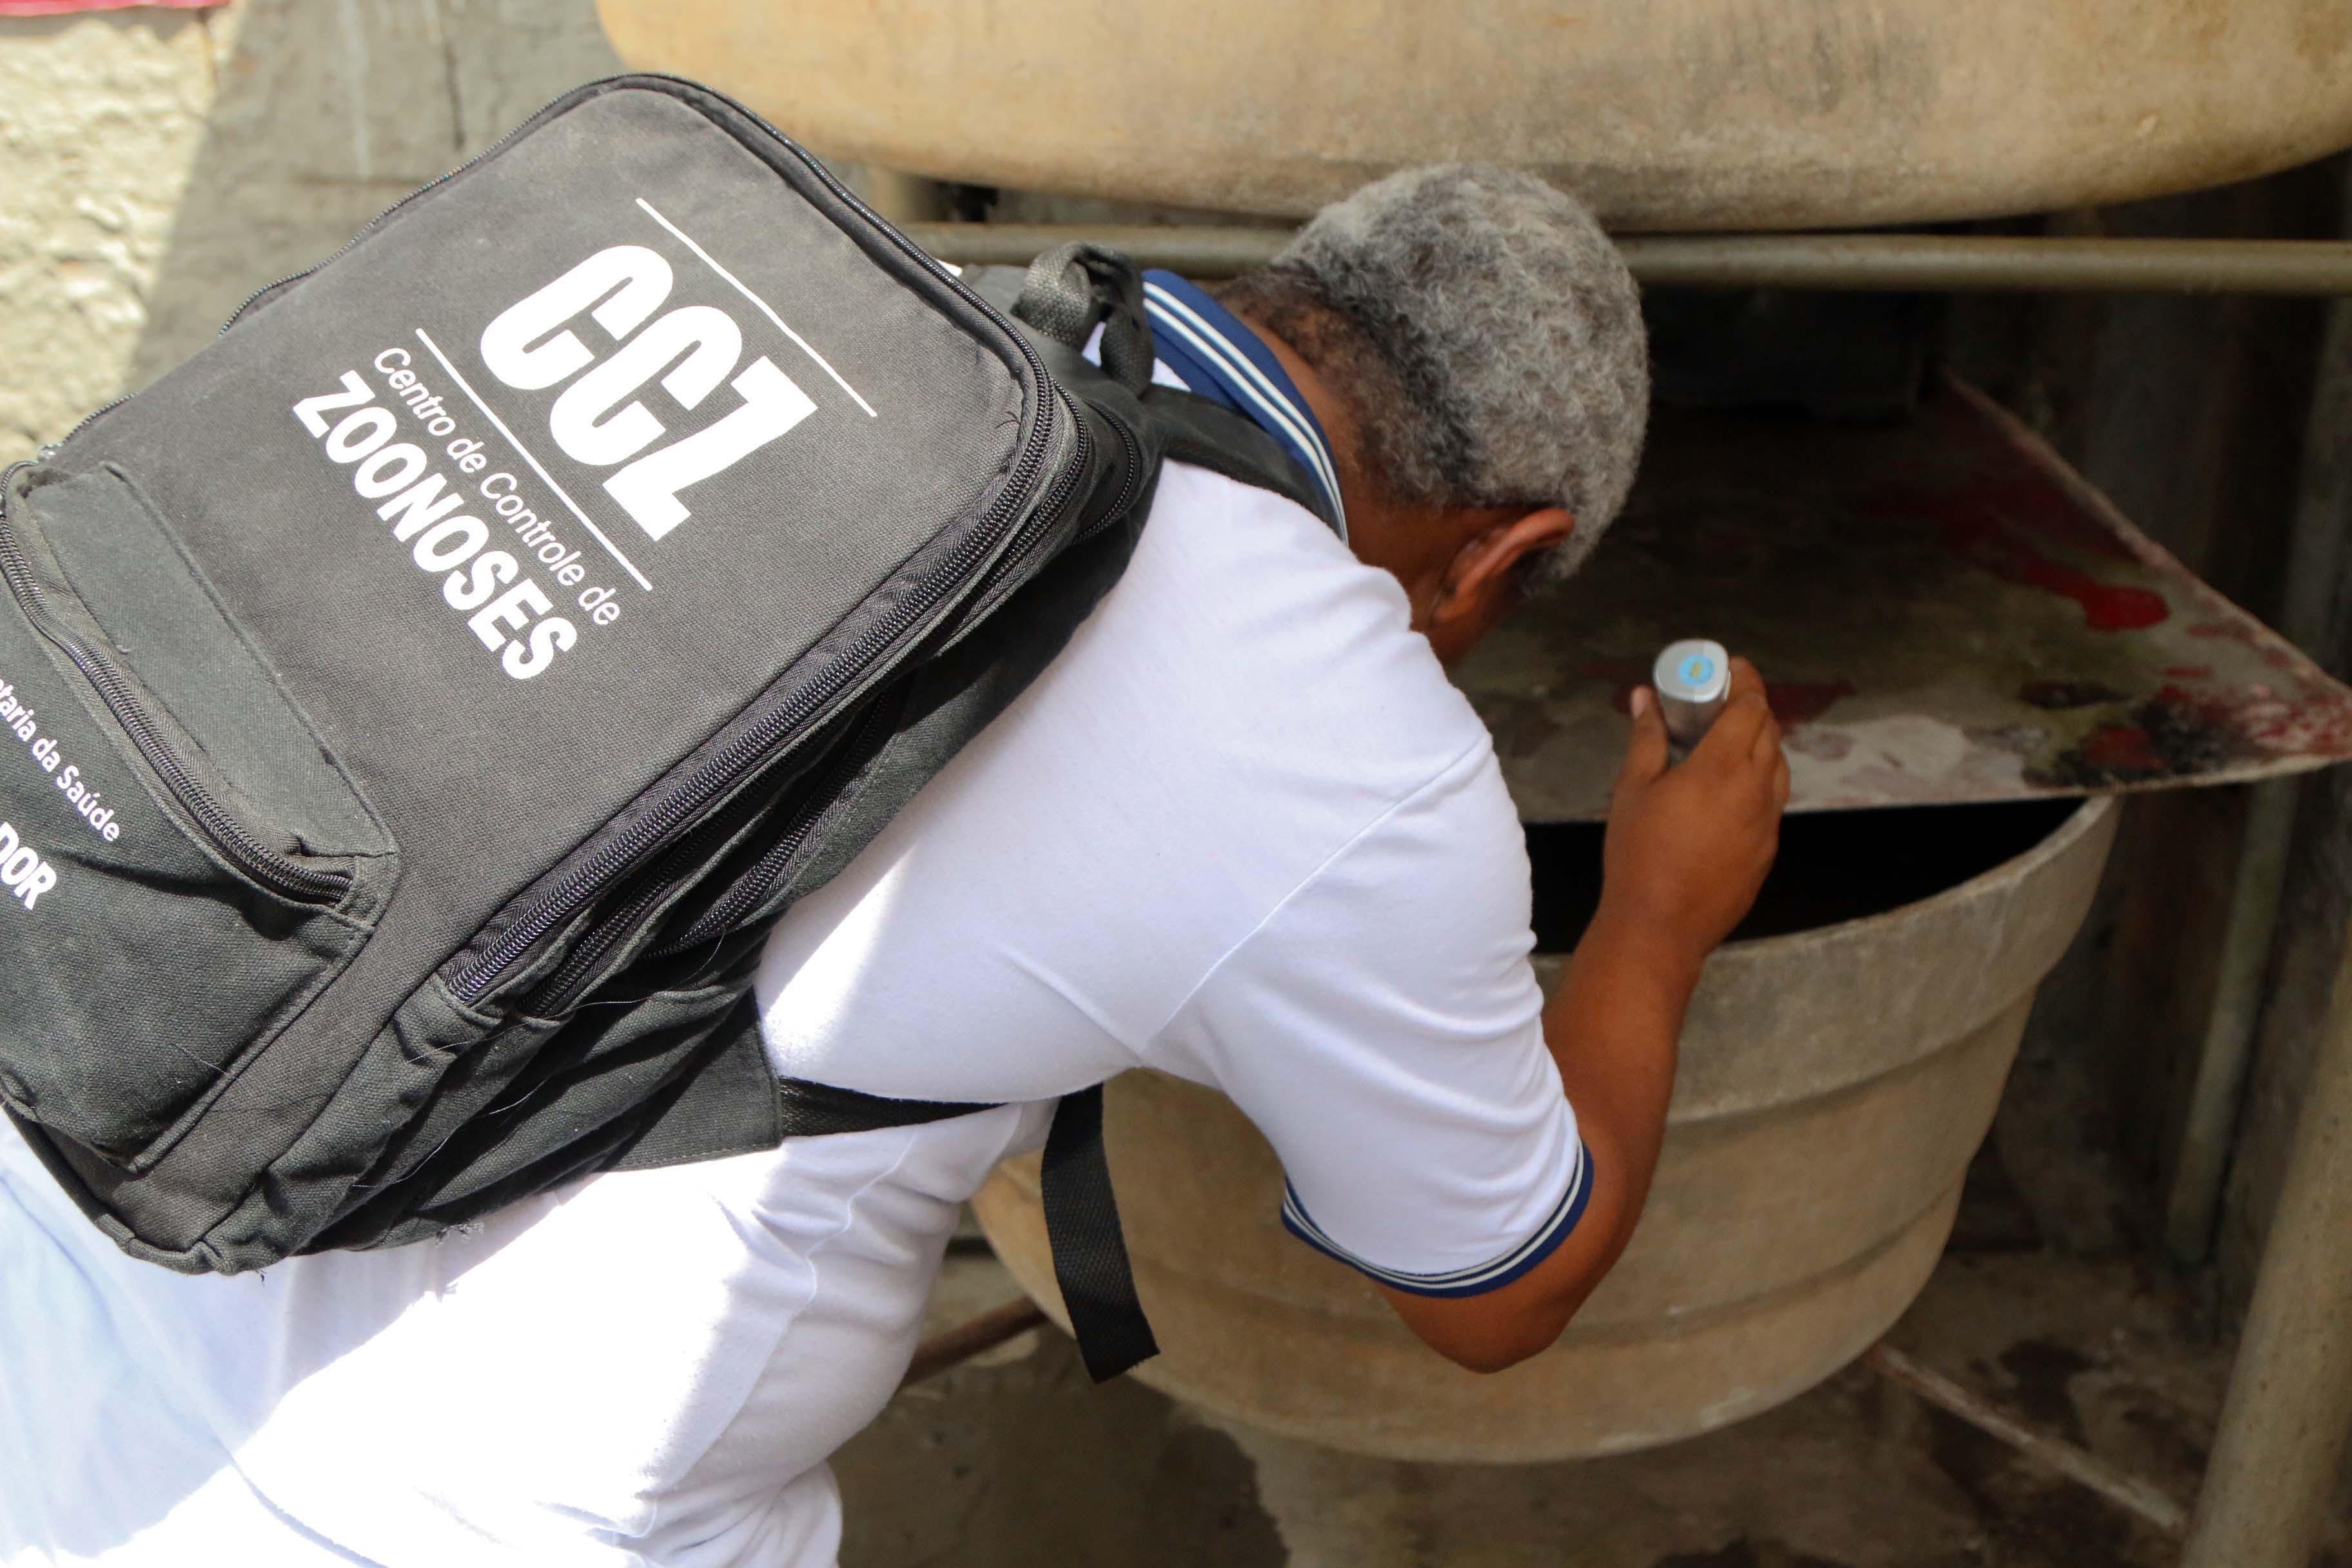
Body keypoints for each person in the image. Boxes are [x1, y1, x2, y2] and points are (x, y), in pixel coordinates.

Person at [0, 164, 1786, 1566]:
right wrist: (1656, 911)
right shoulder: (1357, 749)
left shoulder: (842, 299)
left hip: (94, 1159)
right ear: (1499, 556)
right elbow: (1501, 1290)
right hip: (444, 1514)